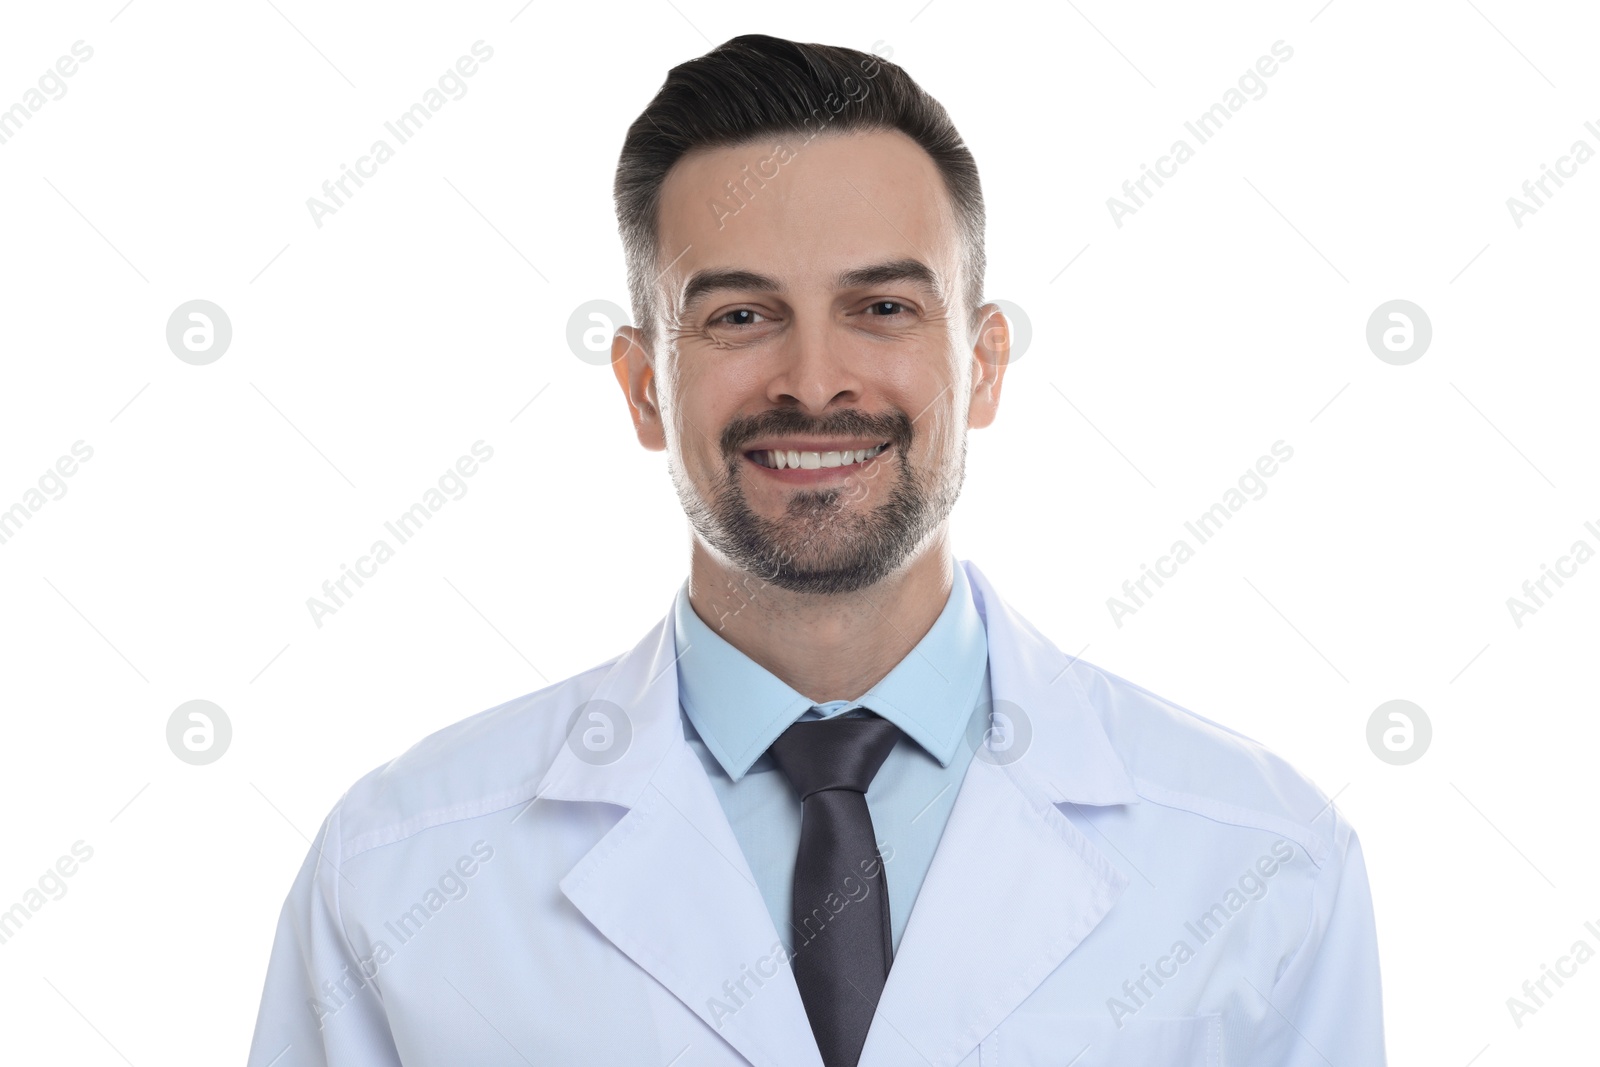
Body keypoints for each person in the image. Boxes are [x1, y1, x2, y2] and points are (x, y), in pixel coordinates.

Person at [248, 34, 1386, 1067]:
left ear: (984, 364)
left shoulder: (1262, 861)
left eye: (882, 307)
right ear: (645, 386)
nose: (811, 380)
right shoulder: (400, 874)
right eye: (740, 316)